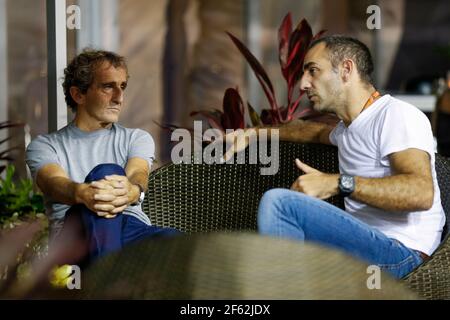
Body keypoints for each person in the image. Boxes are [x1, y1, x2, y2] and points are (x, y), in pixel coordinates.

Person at [225, 35, 445, 279]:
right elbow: (309, 130)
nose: (303, 84)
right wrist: (254, 133)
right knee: (187, 242)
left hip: (403, 256)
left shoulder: (396, 115)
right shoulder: (347, 129)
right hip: (364, 250)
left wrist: (337, 182)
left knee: (281, 204)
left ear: (346, 70)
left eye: (313, 71)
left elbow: (420, 193)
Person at [26, 50, 180, 262]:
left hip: (130, 225)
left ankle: (105, 278)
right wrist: (83, 193)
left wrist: (132, 191)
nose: (119, 97)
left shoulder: (137, 138)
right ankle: (108, 278)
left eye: (122, 86)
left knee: (178, 242)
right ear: (78, 94)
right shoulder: (45, 145)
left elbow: (138, 172)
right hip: (75, 236)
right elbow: (53, 182)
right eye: (108, 86)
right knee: (107, 172)